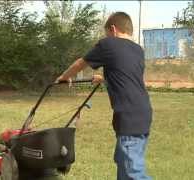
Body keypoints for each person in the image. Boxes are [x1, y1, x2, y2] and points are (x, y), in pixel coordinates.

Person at [56, 12, 153, 180]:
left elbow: (81, 63)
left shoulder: (109, 44)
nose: (106, 36)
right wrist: (104, 79)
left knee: (133, 173)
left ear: (113, 29)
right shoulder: (138, 50)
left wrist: (64, 77)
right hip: (143, 113)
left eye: (107, 33)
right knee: (124, 165)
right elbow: (126, 77)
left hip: (129, 117)